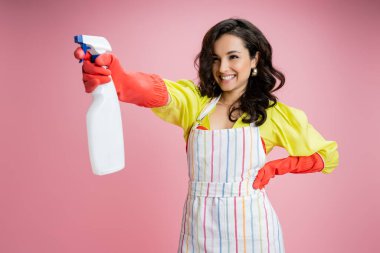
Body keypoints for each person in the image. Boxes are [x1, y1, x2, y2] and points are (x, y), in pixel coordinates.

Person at [74, 18, 339, 253]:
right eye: (215, 58)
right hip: (199, 230)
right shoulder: (195, 103)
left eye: (233, 56)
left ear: (255, 59)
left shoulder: (272, 115)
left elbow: (327, 156)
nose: (223, 67)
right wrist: (116, 78)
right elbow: (155, 92)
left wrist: (277, 167)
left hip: (254, 233)